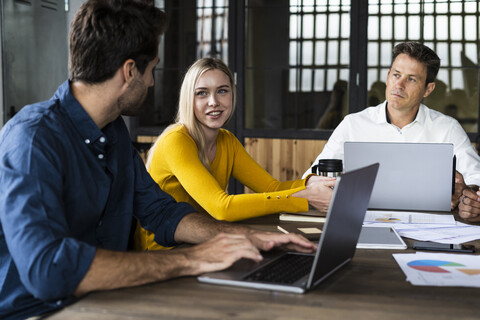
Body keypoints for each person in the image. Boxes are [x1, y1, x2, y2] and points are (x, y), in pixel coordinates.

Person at [0, 1, 316, 319]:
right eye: (152, 69)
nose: (152, 82)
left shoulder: (111, 132)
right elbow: (48, 271)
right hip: (39, 312)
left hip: (108, 297)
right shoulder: (33, 139)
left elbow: (161, 212)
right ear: (129, 71)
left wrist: (248, 237)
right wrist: (193, 259)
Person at [135, 57, 336, 251]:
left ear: (232, 94)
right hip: (163, 252)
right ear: (189, 99)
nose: (214, 102)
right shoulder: (176, 141)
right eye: (202, 93)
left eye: (222, 91)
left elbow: (270, 187)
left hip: (205, 242)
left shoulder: (227, 141)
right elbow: (222, 208)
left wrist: (309, 184)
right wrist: (303, 197)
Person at [303, 42, 480, 215]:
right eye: (396, 75)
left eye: (411, 79)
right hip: (360, 220)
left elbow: (476, 177)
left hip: (429, 225)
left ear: (428, 89)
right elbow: (309, 177)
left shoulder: (447, 128)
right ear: (388, 76)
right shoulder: (353, 124)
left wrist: (466, 194)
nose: (399, 85)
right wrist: (317, 187)